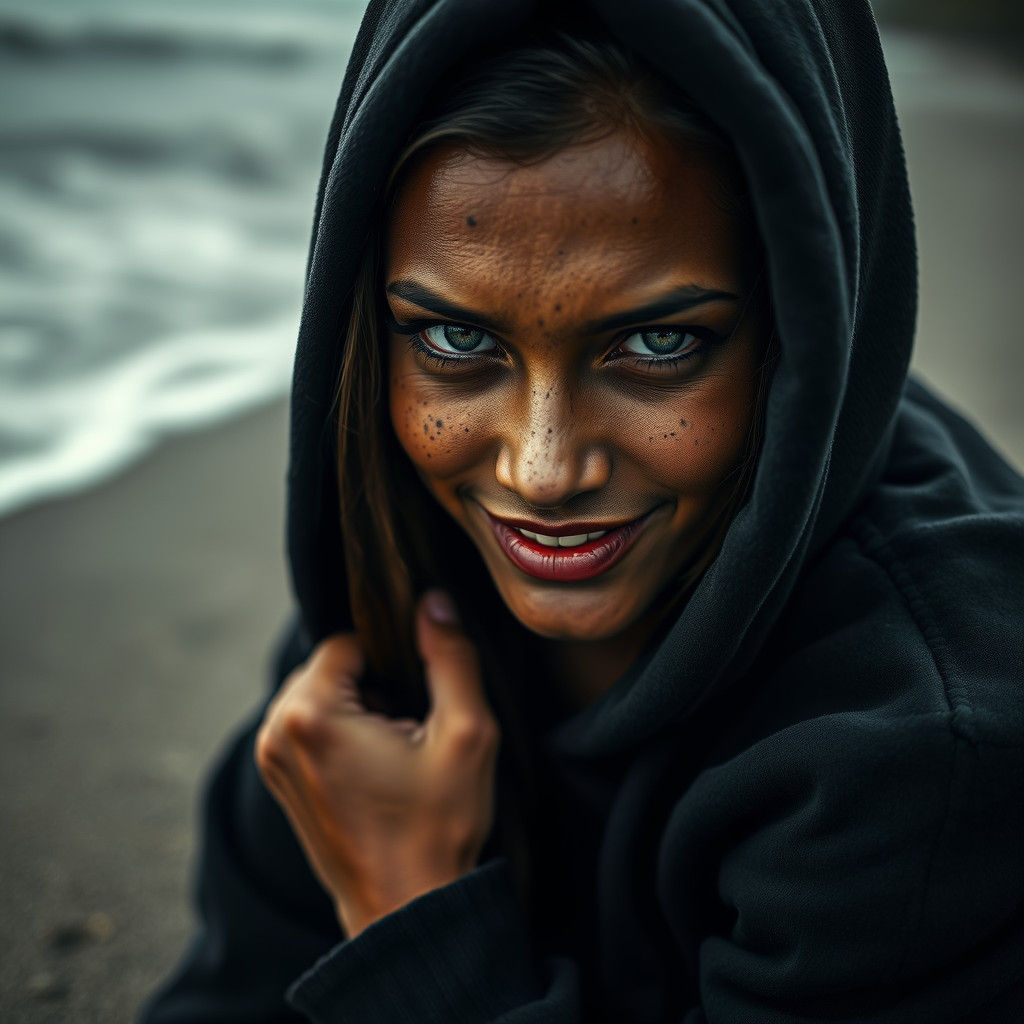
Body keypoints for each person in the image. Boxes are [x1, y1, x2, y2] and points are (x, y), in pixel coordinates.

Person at [138, 1, 1024, 1021]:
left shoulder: (931, 752)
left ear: (805, 329)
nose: (542, 469)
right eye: (454, 342)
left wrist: (405, 908)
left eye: (656, 346)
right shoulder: (405, 581)